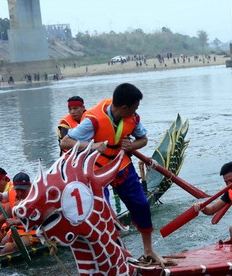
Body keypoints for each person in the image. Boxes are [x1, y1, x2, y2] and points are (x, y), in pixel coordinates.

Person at [59, 83, 164, 264]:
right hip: (97, 171)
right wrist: (91, 146)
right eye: (135, 107)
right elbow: (66, 142)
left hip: (121, 166)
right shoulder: (93, 120)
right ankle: (117, 254)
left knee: (141, 205)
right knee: (105, 214)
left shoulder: (133, 118)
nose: (136, 111)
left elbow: (143, 139)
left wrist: (132, 145)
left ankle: (148, 251)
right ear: (124, 108)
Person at [0, 173, 40, 253]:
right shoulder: (12, 191)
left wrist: (16, 221)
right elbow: (2, 197)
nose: (20, 193)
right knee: (3, 243)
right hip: (18, 230)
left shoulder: (37, 196)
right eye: (18, 190)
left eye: (23, 190)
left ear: (29, 186)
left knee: (17, 245)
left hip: (34, 231)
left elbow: (36, 217)